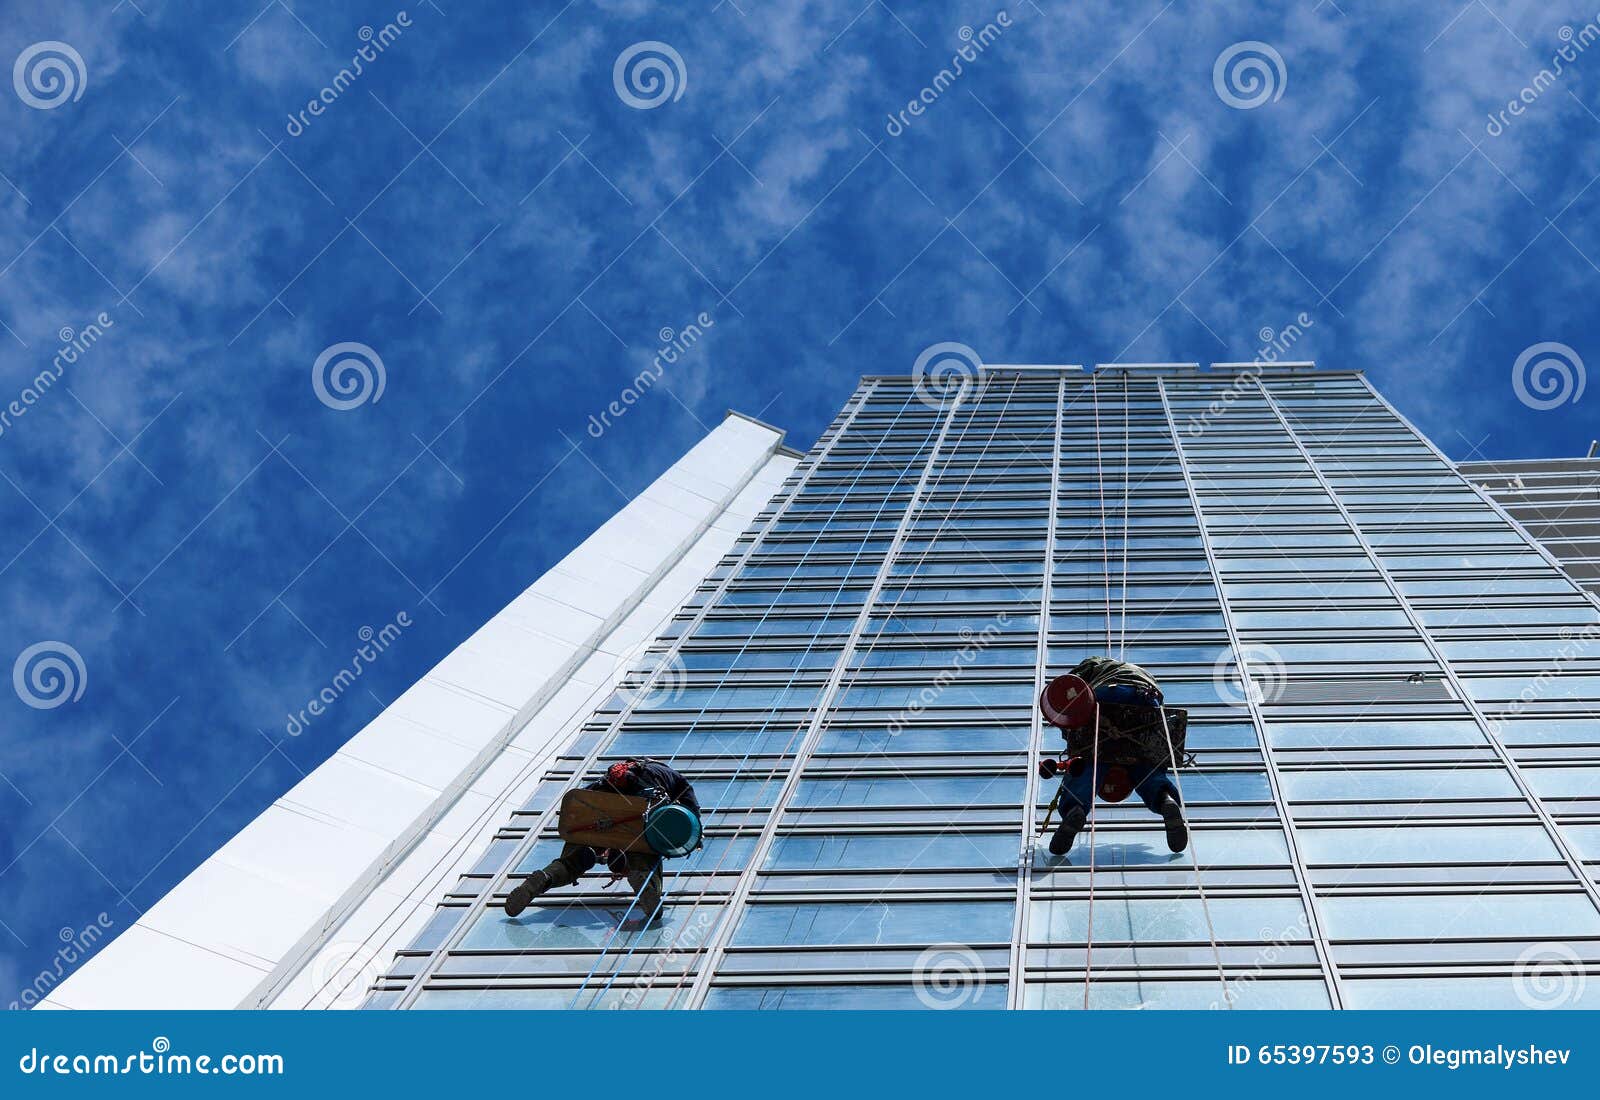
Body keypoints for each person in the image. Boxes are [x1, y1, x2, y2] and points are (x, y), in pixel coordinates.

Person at [503, 757, 700, 926]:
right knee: (646, 851)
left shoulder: (607, 779)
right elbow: (688, 802)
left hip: (596, 811)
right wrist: (696, 831)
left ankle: (544, 878)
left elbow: (580, 805)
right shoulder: (669, 774)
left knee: (574, 860)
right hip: (641, 812)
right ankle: (647, 883)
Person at [1041, 656, 1188, 857]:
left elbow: (1070, 690)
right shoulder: (1138, 670)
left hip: (1108, 692)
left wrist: (1069, 736)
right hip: (1147, 698)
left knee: (1089, 764)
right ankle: (1165, 801)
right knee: (1145, 765)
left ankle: (1074, 809)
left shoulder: (1095, 663)